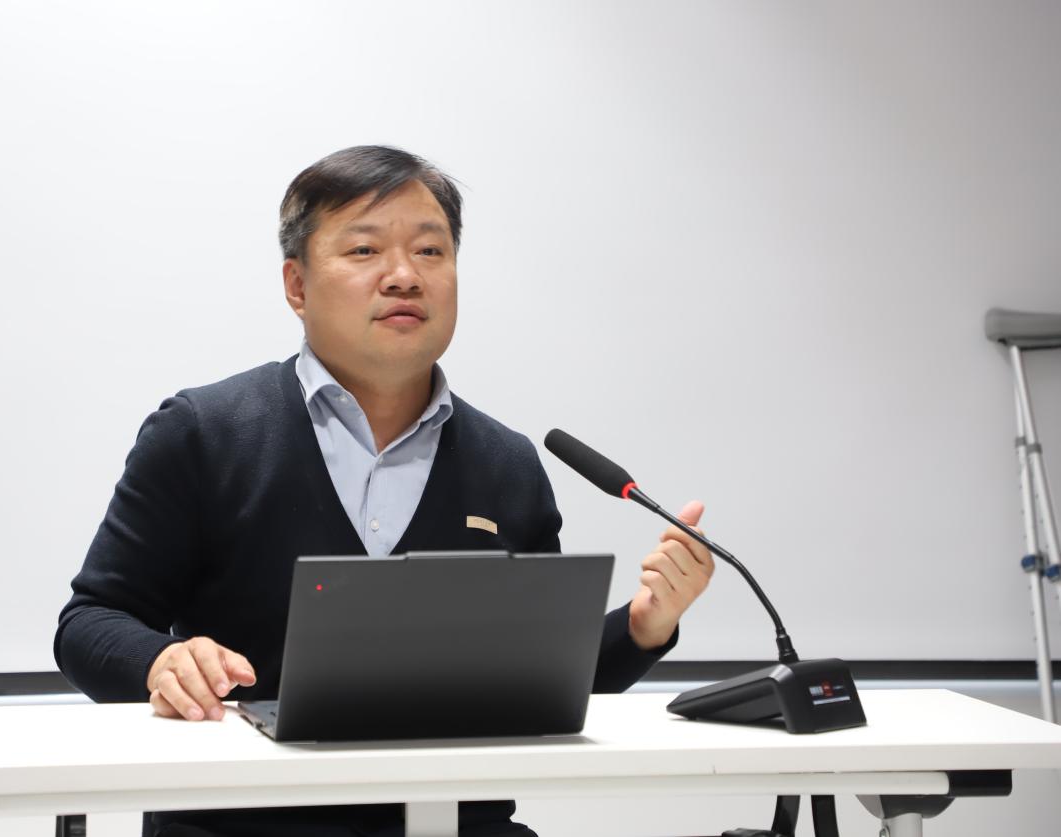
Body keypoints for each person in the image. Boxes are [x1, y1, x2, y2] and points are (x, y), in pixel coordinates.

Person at [54, 145, 715, 837]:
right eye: (365, 250)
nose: (404, 276)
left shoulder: (507, 463)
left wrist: (642, 626)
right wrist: (160, 660)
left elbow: (538, 684)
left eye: (430, 251)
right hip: (242, 826)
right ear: (297, 285)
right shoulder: (205, 432)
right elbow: (90, 621)